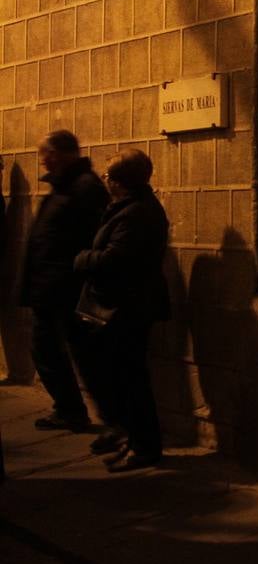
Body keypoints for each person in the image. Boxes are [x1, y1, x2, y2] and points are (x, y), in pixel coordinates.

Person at [72, 149, 170, 471]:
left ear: (121, 182)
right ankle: (135, 441)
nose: (105, 180)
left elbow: (115, 260)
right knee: (125, 377)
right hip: (126, 305)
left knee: (131, 380)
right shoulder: (129, 208)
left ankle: (144, 447)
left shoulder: (136, 214)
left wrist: (83, 258)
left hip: (127, 308)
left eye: (109, 176)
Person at [20, 130, 109, 431]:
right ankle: (72, 409)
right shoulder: (64, 187)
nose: (44, 160)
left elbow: (92, 237)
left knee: (75, 352)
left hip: (66, 287)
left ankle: (95, 415)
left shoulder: (84, 188)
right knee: (53, 349)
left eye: (49, 153)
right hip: (50, 286)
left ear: (66, 153)